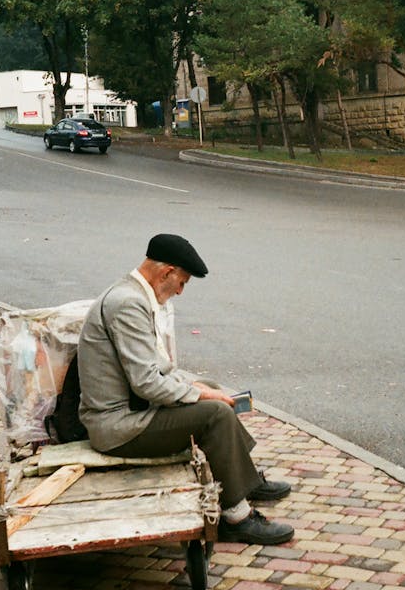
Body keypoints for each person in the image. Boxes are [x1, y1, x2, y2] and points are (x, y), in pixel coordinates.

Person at [77, 233, 294, 545]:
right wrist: (202, 395)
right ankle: (236, 517)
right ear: (167, 272)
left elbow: (151, 372)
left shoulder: (132, 294)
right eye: (182, 282)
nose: (180, 291)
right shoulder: (127, 304)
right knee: (215, 412)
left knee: (211, 389)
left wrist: (198, 388)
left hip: (132, 410)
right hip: (118, 427)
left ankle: (242, 480)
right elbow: (147, 383)